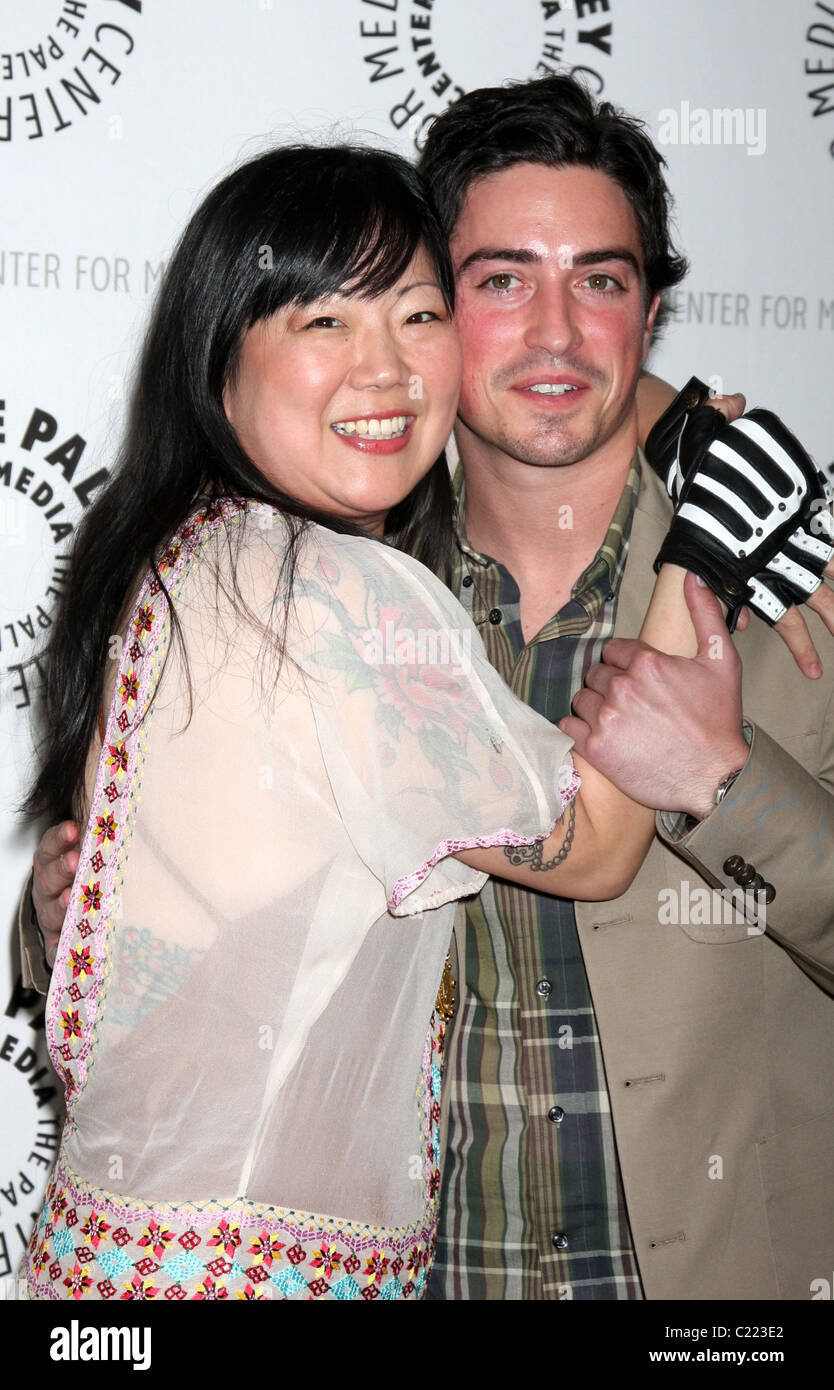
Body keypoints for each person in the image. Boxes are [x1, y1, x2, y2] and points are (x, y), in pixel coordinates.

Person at [18, 142, 746, 1303]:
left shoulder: (183, 561)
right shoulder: (339, 590)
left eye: (416, 316)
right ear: (220, 360)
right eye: (324, 324)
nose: (388, 370)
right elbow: (597, 842)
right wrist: (704, 549)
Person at [404, 75, 834, 1301]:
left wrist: (729, 786)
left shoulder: (797, 589)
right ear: (431, 311)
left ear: (647, 315)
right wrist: (67, 916)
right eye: (502, 280)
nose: (555, 331)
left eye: (598, 279)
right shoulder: (340, 602)